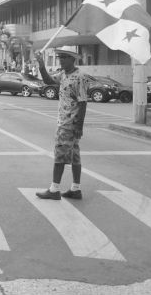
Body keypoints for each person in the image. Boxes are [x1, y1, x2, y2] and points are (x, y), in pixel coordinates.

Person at [35, 49, 90, 200]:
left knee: (59, 156)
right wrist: (41, 64)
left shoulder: (80, 77)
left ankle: (54, 190)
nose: (61, 60)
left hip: (69, 123)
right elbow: (48, 80)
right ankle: (76, 189)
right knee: (74, 156)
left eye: (64, 57)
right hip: (65, 121)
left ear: (73, 59)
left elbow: (83, 102)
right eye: (60, 57)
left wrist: (79, 126)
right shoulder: (63, 74)